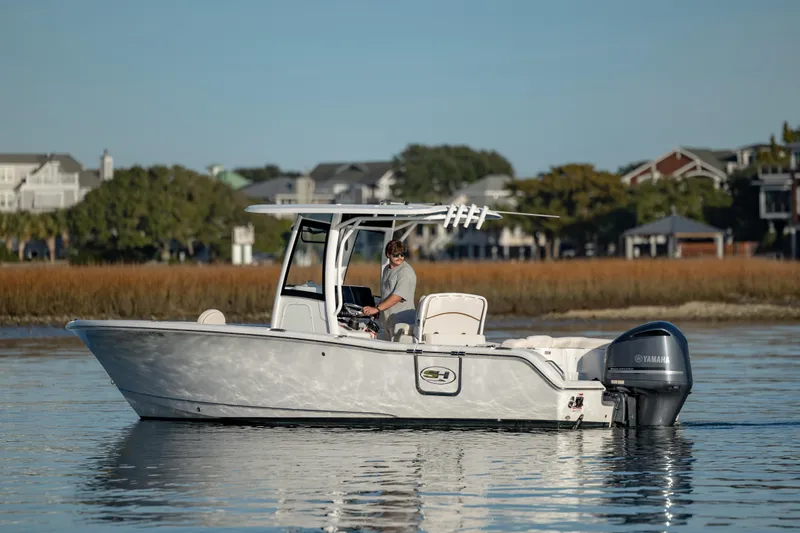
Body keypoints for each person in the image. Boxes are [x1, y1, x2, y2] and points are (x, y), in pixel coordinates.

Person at [363, 239, 417, 340]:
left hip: (402, 324)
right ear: (388, 254)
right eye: (396, 255)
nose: (400, 258)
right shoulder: (387, 269)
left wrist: (376, 309)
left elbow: (397, 297)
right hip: (388, 322)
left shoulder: (406, 272)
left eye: (402, 255)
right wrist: (378, 309)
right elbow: (386, 293)